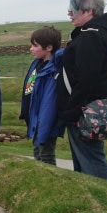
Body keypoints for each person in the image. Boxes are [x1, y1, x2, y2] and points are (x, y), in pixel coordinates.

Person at [56, 0, 107, 180]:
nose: (70, 14)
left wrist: (72, 109)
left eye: (73, 10)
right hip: (92, 106)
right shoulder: (102, 33)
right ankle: (91, 198)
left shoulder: (91, 36)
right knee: (86, 157)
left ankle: (103, 200)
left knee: (90, 159)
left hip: (85, 109)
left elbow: (86, 78)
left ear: (89, 11)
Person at [20, 26, 64, 165]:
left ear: (49, 47)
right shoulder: (36, 64)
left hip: (46, 120)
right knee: (37, 154)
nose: (31, 49)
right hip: (35, 118)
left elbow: (50, 100)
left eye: (35, 45)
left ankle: (51, 183)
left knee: (46, 155)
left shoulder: (54, 69)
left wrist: (43, 121)